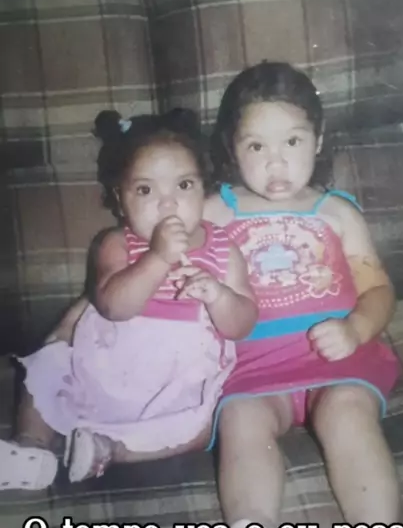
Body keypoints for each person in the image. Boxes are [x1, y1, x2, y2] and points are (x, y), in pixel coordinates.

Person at [174, 61, 403, 528]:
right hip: (255, 368)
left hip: (338, 360)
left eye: (292, 142)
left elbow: (379, 289)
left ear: (319, 140)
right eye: (256, 145)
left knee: (347, 412)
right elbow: (169, 264)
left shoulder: (336, 212)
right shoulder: (216, 210)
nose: (276, 163)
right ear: (232, 147)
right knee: (242, 418)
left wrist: (356, 328)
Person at [0, 108, 256, 490]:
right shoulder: (117, 244)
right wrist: (157, 259)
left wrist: (219, 296)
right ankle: (30, 447)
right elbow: (112, 306)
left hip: (179, 380)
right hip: (104, 365)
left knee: (208, 425)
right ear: (120, 200)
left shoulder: (223, 249)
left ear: (204, 190)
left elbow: (242, 324)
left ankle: (110, 450)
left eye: (184, 185)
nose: (167, 204)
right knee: (47, 366)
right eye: (146, 190)